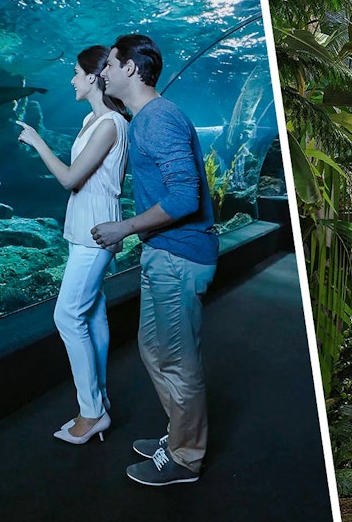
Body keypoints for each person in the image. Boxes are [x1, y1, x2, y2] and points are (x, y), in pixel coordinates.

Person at [91, 34, 219, 486]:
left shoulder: (157, 119)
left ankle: (186, 458)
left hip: (178, 257)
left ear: (129, 68)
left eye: (108, 64)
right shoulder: (146, 118)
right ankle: (180, 434)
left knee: (177, 361)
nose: (102, 72)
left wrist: (124, 227)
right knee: (154, 351)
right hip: (164, 253)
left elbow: (185, 196)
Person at [16, 45, 129, 444]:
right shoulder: (89, 120)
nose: (72, 80)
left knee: (67, 317)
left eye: (78, 73)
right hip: (80, 227)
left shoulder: (111, 124)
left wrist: (37, 141)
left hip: (96, 232)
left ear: (96, 77)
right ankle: (99, 401)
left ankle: (91, 412)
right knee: (93, 312)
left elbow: (70, 179)